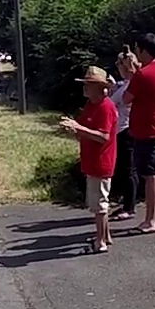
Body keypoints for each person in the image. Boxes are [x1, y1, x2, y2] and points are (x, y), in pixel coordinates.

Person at [59, 67, 119, 253]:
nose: (84, 87)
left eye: (89, 84)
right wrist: (75, 129)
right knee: (98, 201)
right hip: (91, 160)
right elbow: (86, 130)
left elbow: (103, 136)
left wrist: (78, 127)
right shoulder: (91, 105)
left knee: (100, 204)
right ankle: (105, 236)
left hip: (101, 161)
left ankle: (100, 242)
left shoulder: (106, 107)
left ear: (100, 87)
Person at [122, 32, 155, 233]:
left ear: (143, 50)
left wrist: (131, 71)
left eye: (137, 50)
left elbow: (126, 98)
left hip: (147, 131)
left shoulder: (143, 74)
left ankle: (150, 220)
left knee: (149, 175)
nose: (136, 53)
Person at [107, 52, 140, 221]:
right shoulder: (125, 84)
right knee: (125, 168)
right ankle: (127, 203)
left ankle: (129, 207)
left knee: (129, 169)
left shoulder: (129, 86)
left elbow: (112, 103)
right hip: (120, 128)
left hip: (125, 129)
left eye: (119, 65)